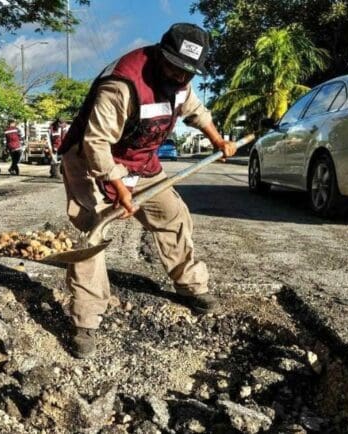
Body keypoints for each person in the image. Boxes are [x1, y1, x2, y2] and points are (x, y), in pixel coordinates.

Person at [57, 23, 237, 358]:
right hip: (90, 160)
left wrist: (218, 140)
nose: (180, 77)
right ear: (160, 53)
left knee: (173, 214)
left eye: (188, 72)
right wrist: (119, 190)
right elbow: (96, 143)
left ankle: (190, 284)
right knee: (94, 230)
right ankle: (85, 319)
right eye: (174, 67)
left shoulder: (182, 83)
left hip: (141, 162)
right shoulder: (122, 83)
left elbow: (196, 112)